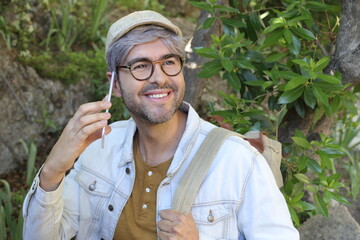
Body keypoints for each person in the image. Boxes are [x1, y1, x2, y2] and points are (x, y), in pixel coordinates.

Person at [22, 10, 299, 240]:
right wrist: (53, 170)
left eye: (169, 62)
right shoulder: (98, 149)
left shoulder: (239, 163)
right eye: (141, 66)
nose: (159, 78)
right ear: (115, 84)